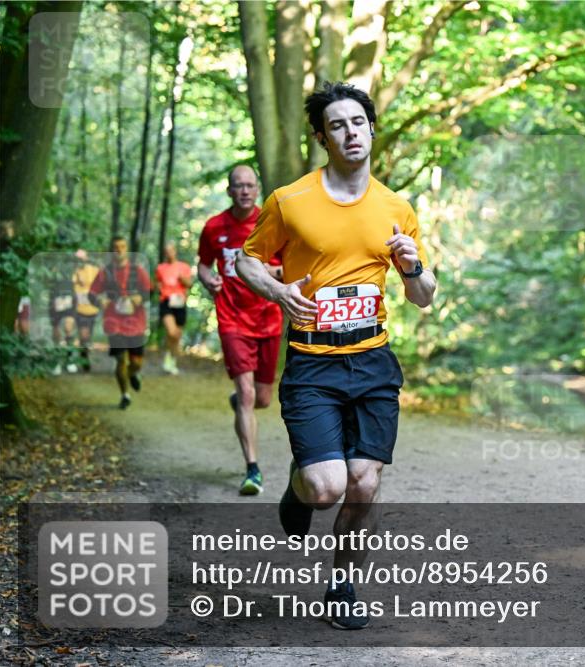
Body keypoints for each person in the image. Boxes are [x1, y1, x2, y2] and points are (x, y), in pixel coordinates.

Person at [237, 81, 436, 630]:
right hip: (312, 359)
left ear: (372, 130)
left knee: (364, 481)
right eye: (337, 125)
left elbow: (422, 297)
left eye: (358, 122)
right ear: (322, 137)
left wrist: (414, 265)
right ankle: (299, 485)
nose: (350, 132)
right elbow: (248, 262)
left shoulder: (396, 207)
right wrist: (279, 292)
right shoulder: (290, 200)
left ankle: (343, 582)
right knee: (327, 488)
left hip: (372, 360)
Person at [197, 165, 284, 496]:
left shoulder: (271, 222)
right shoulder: (214, 227)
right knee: (247, 395)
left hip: (267, 318)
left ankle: (242, 401)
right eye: (239, 186)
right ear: (230, 190)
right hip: (232, 318)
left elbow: (289, 264)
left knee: (262, 398)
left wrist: (274, 271)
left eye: (250, 185)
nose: (245, 191)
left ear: (257, 188)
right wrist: (207, 279)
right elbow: (204, 265)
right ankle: (252, 469)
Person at [90, 236, 151, 409]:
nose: (119, 250)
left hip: (135, 323)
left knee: (136, 362)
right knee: (120, 360)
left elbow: (149, 291)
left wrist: (141, 297)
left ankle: (133, 374)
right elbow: (91, 294)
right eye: (116, 247)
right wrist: (99, 301)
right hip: (114, 322)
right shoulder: (105, 272)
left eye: (123, 246)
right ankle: (125, 395)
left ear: (127, 249)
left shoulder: (137, 270)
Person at [155, 241, 193, 375]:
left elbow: (189, 284)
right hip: (166, 302)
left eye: (171, 250)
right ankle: (168, 356)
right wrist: (158, 287)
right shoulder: (161, 268)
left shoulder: (184, 267)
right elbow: (157, 283)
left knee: (176, 335)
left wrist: (183, 279)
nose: (169, 253)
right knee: (171, 332)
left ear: (175, 251)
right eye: (166, 251)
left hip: (180, 302)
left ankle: (171, 360)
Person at [72, 249, 100, 372]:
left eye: (82, 258)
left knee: (88, 336)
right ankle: (84, 358)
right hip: (79, 309)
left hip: (92, 309)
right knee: (83, 335)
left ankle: (84, 354)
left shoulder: (93, 270)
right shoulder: (73, 272)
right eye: (78, 259)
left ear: (86, 258)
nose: (80, 261)